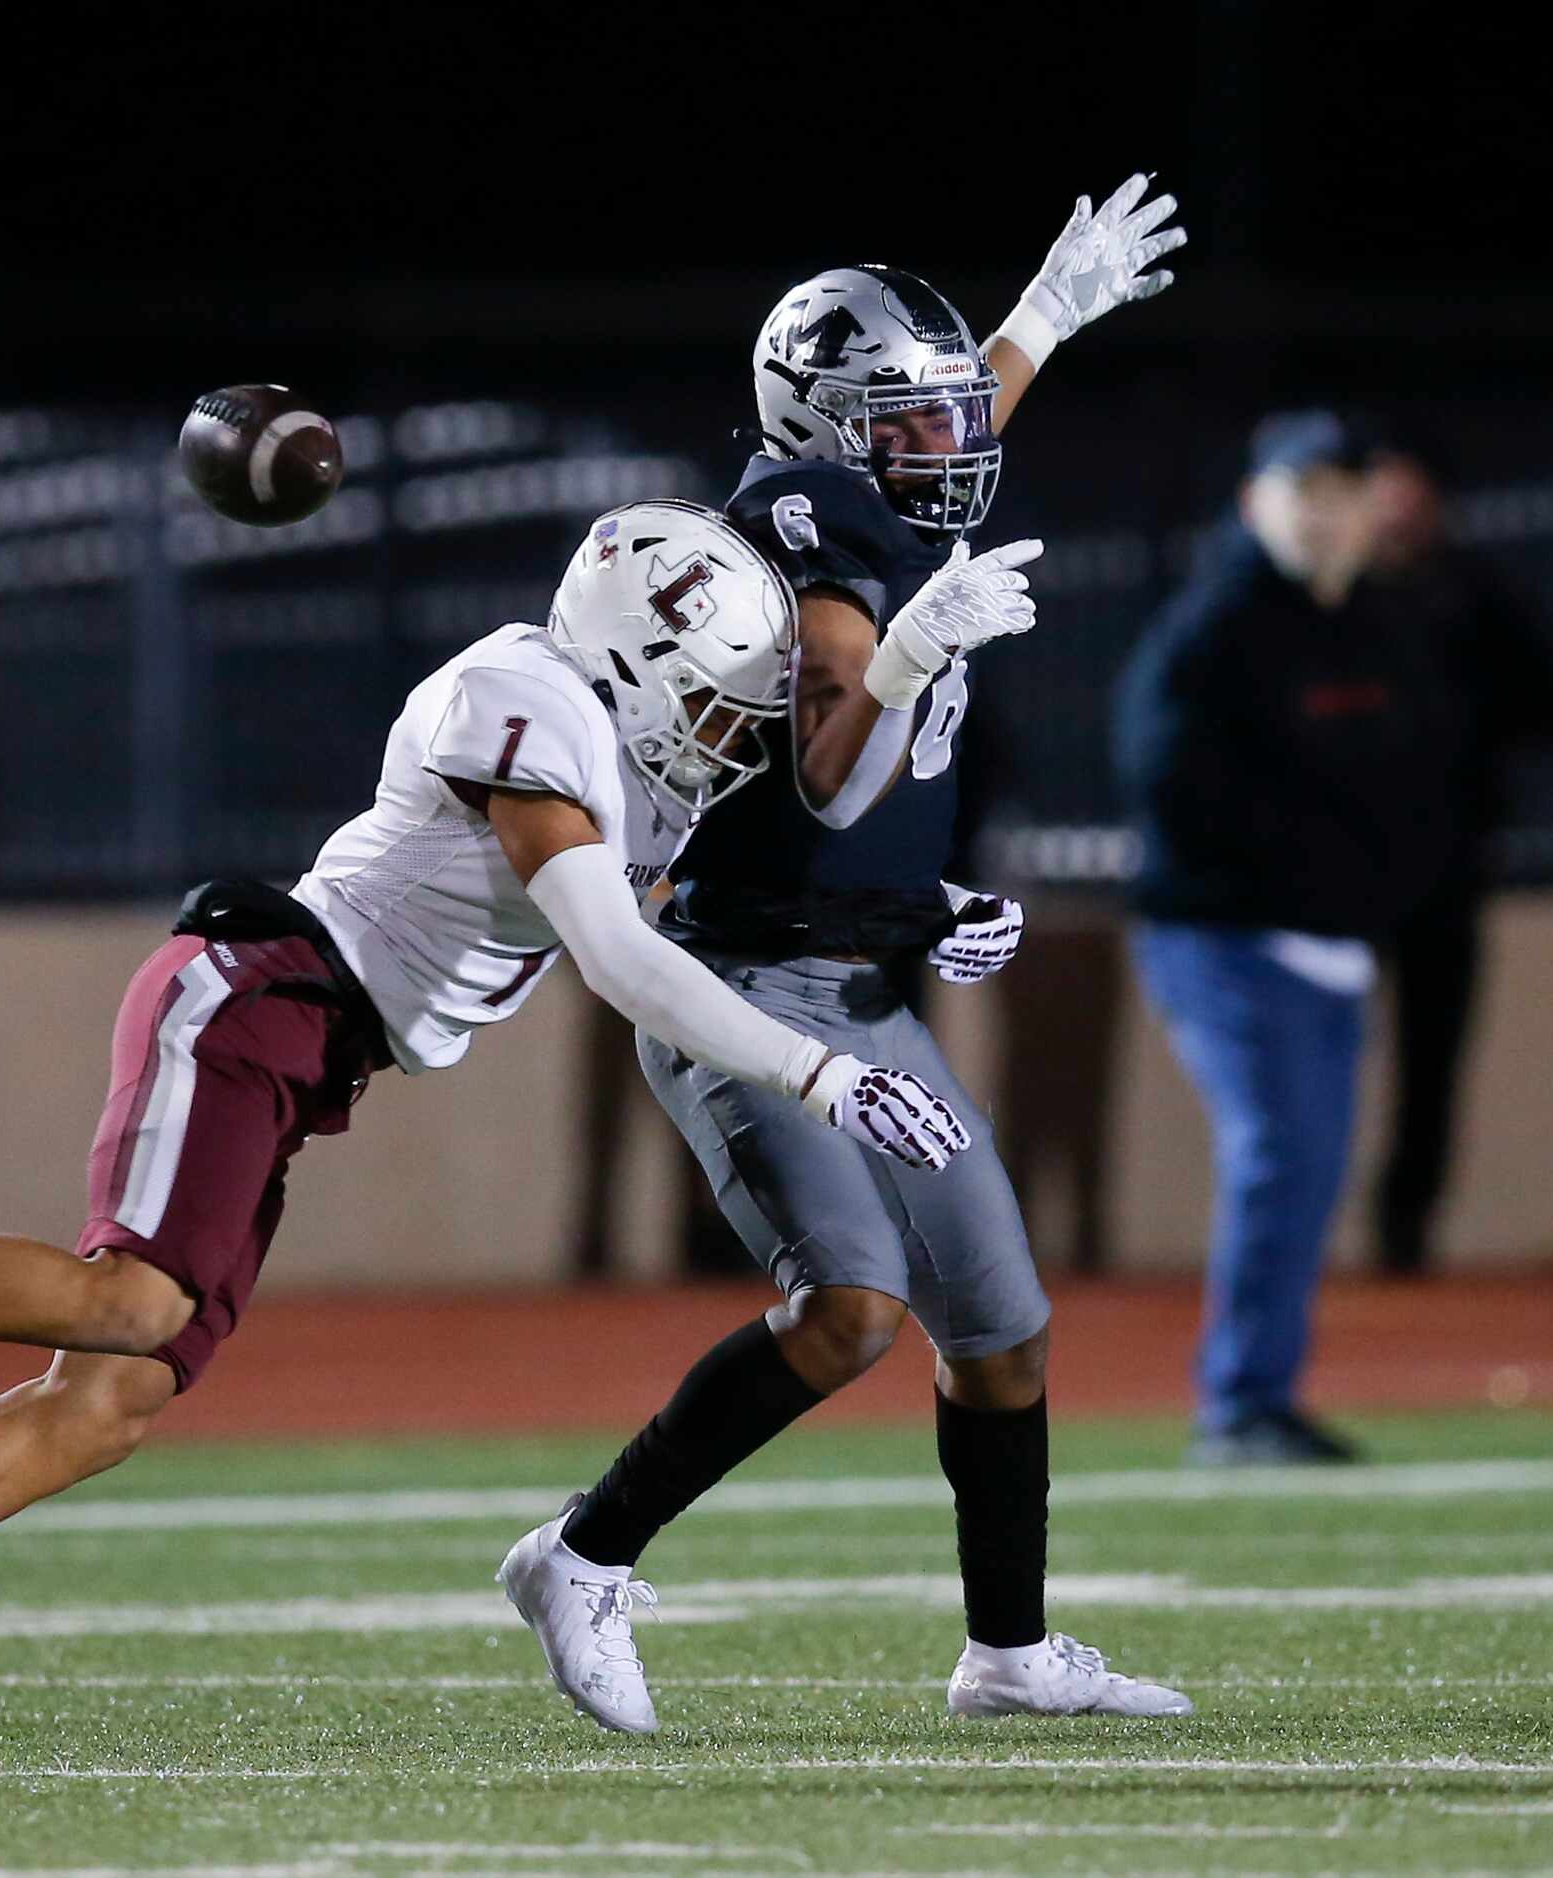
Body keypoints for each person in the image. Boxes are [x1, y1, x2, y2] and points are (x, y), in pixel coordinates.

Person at [0, 500, 979, 1751]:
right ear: (632, 653)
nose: (722, 731)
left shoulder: (628, 755)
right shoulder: (523, 700)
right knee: (133, 1302)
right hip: (257, 987)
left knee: (110, 1401)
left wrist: (915, 909)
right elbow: (618, 955)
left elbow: (712, 905)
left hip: (312, 1044)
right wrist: (820, 1074)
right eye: (706, 696)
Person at [500, 175, 1197, 1741]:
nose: (953, 441)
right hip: (739, 990)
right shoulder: (801, 533)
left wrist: (1041, 317)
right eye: (912, 422)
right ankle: (581, 1552)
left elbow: (929, 429)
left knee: (1001, 1331)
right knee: (850, 1309)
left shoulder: (870, 485)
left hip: (860, 973)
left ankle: (1005, 1653)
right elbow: (821, 765)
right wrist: (903, 654)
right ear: (823, 428)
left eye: (947, 415)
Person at [1112, 410, 1468, 1465]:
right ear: (1252, 504)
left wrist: (1379, 880)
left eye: (1344, 491)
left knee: (1309, 1171)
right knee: (1278, 1155)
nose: (1324, 514)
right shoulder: (1213, 629)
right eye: (1301, 490)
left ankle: (1261, 1393)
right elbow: (1164, 780)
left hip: (1329, 946)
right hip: (1220, 937)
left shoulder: (1387, 625)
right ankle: (1237, 1404)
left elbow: (1424, 776)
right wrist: (1308, 855)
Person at [1358, 438, 1553, 1276]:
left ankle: (1404, 1228)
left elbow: (1545, 701)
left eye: (1412, 498)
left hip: (1444, 867)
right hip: (1331, 875)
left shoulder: (1476, 597)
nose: (1399, 515)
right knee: (1312, 1060)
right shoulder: (1320, 603)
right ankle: (1294, 1226)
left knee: (1431, 1060)